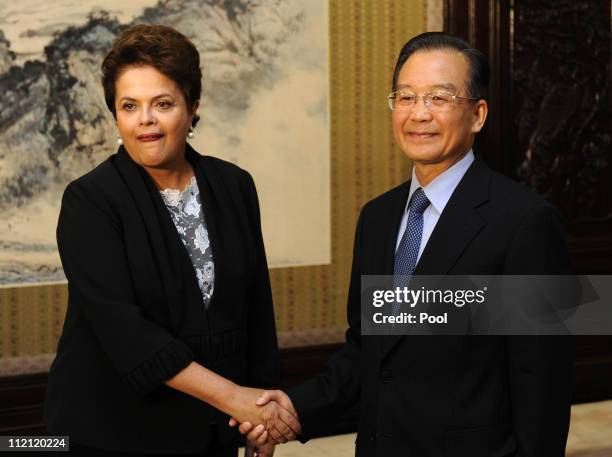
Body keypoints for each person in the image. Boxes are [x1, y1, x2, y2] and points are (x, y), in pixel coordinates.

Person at [234, 32, 574, 457]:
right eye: (407, 97)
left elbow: (543, 382)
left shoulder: (525, 222)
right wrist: (294, 409)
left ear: (478, 114)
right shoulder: (377, 218)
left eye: (439, 97)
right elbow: (371, 352)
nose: (419, 114)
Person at [44, 24, 299, 456]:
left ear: (192, 106)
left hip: (212, 432)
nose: (145, 120)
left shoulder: (234, 185)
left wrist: (259, 407)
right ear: (115, 114)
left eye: (162, 103)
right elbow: (128, 334)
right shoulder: (89, 201)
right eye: (129, 105)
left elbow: (256, 305)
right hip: (113, 433)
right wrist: (237, 399)